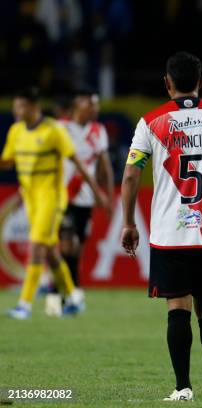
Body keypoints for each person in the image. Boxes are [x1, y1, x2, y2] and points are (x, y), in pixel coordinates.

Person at [120, 51, 202, 402]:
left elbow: (131, 173)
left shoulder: (151, 122)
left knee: (178, 307)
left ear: (167, 83)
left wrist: (129, 222)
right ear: (201, 81)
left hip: (168, 233)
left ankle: (182, 388)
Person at [0, 87, 109, 320]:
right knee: (50, 251)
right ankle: (73, 297)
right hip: (30, 198)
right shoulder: (16, 131)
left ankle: (24, 305)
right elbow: (7, 162)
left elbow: (77, 163)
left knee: (38, 245)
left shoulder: (54, 131)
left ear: (32, 106)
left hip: (52, 197)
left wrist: (97, 192)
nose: (15, 110)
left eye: (19, 105)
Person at [46, 88, 114, 316]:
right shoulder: (61, 127)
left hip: (85, 200)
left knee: (76, 251)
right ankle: (61, 298)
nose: (96, 108)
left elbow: (104, 165)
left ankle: (67, 297)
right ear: (79, 104)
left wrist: (109, 196)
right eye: (91, 104)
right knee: (67, 244)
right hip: (62, 196)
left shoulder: (98, 130)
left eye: (97, 105)